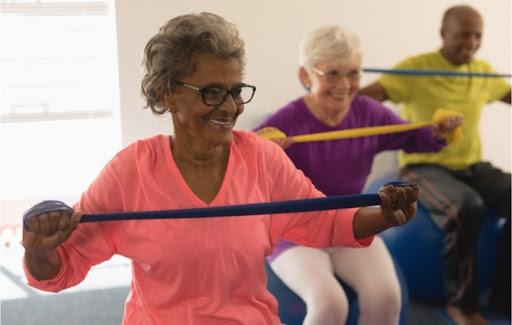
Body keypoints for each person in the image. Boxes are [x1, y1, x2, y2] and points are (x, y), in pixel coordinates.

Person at [21, 12, 421, 325]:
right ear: (167, 93)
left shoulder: (262, 159)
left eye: (234, 91)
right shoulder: (132, 171)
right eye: (212, 93)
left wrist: (385, 215)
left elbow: (327, 221)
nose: (230, 107)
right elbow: (62, 268)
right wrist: (39, 251)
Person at [253, 25, 462, 325]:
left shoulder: (368, 113)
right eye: (332, 74)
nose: (345, 84)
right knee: (329, 304)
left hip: (351, 223)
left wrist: (441, 131)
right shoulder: (285, 122)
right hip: (295, 234)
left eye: (353, 73)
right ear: (305, 76)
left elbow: (415, 136)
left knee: (387, 296)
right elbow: (240, 161)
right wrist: (263, 151)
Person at [359, 4, 511, 325]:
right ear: (444, 34)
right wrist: (336, 94)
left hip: (471, 165)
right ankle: (462, 306)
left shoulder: (482, 72)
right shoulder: (417, 69)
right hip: (423, 164)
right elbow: (365, 99)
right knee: (465, 207)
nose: (471, 42)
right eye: (463, 35)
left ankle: (503, 295)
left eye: (477, 36)